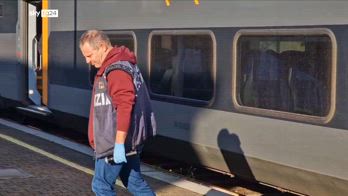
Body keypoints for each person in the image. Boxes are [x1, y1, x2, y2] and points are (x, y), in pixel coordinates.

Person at [79, 29, 156, 196]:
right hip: (129, 139)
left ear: (101, 46)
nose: (87, 60)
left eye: (89, 55)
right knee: (134, 182)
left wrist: (119, 144)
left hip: (114, 141)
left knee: (101, 186)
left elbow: (125, 106)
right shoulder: (123, 63)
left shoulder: (116, 71)